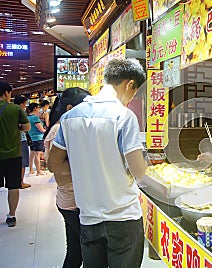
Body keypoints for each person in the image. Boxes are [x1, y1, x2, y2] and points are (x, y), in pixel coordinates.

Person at [48, 58, 148, 268]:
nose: (131, 99)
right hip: (123, 217)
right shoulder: (124, 116)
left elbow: (54, 165)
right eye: (134, 92)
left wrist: (88, 166)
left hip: (88, 217)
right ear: (130, 84)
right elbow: (139, 171)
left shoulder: (69, 117)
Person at [44, 87, 90, 268]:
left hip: (71, 198)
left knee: (75, 252)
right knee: (91, 250)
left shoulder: (65, 126)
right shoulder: (60, 130)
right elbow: (53, 165)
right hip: (73, 199)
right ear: (70, 108)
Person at [0, 82, 31, 227]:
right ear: (6, 93)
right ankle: (11, 216)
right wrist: (15, 127)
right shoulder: (15, 109)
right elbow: (26, 127)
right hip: (13, 154)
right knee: (13, 186)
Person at [13, 95, 31, 188]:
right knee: (23, 162)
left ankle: (16, 181)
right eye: (24, 104)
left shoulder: (9, 111)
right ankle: (21, 182)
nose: (25, 106)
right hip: (21, 139)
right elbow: (26, 127)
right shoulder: (19, 112)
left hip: (12, 140)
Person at [27, 102, 46, 176]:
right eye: (38, 108)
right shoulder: (35, 118)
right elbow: (41, 129)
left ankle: (31, 169)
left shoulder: (28, 118)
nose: (39, 110)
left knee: (32, 154)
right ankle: (39, 171)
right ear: (35, 108)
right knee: (38, 154)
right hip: (38, 138)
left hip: (31, 137)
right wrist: (47, 131)